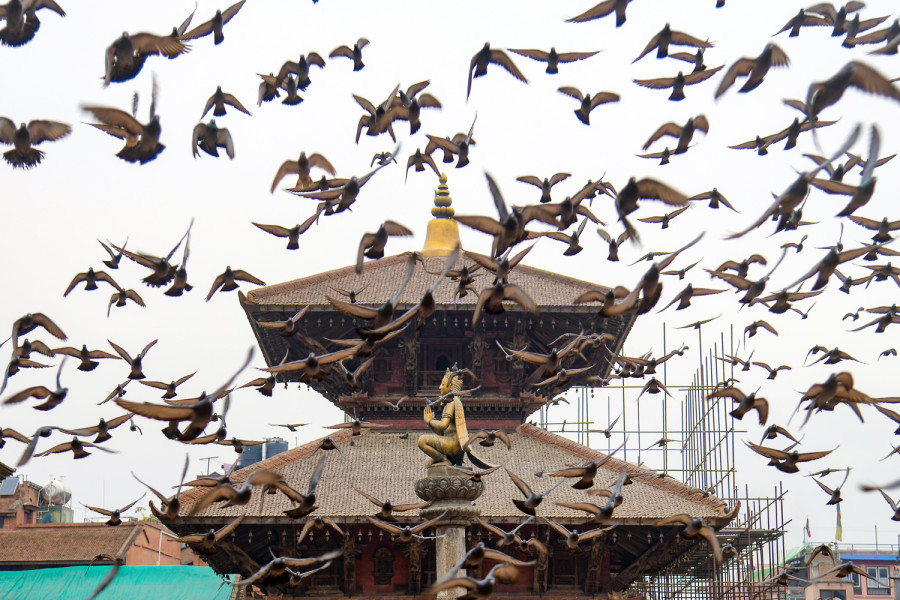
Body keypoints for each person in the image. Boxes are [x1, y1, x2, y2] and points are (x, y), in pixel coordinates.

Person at [417, 368, 469, 467]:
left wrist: (430, 421)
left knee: (422, 440)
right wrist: (429, 424)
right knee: (428, 463)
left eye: (443, 384)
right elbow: (443, 433)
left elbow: (443, 425)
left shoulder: (451, 401)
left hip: (453, 443)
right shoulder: (453, 402)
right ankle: (446, 460)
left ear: (451, 386)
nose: (440, 387)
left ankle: (445, 460)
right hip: (452, 443)